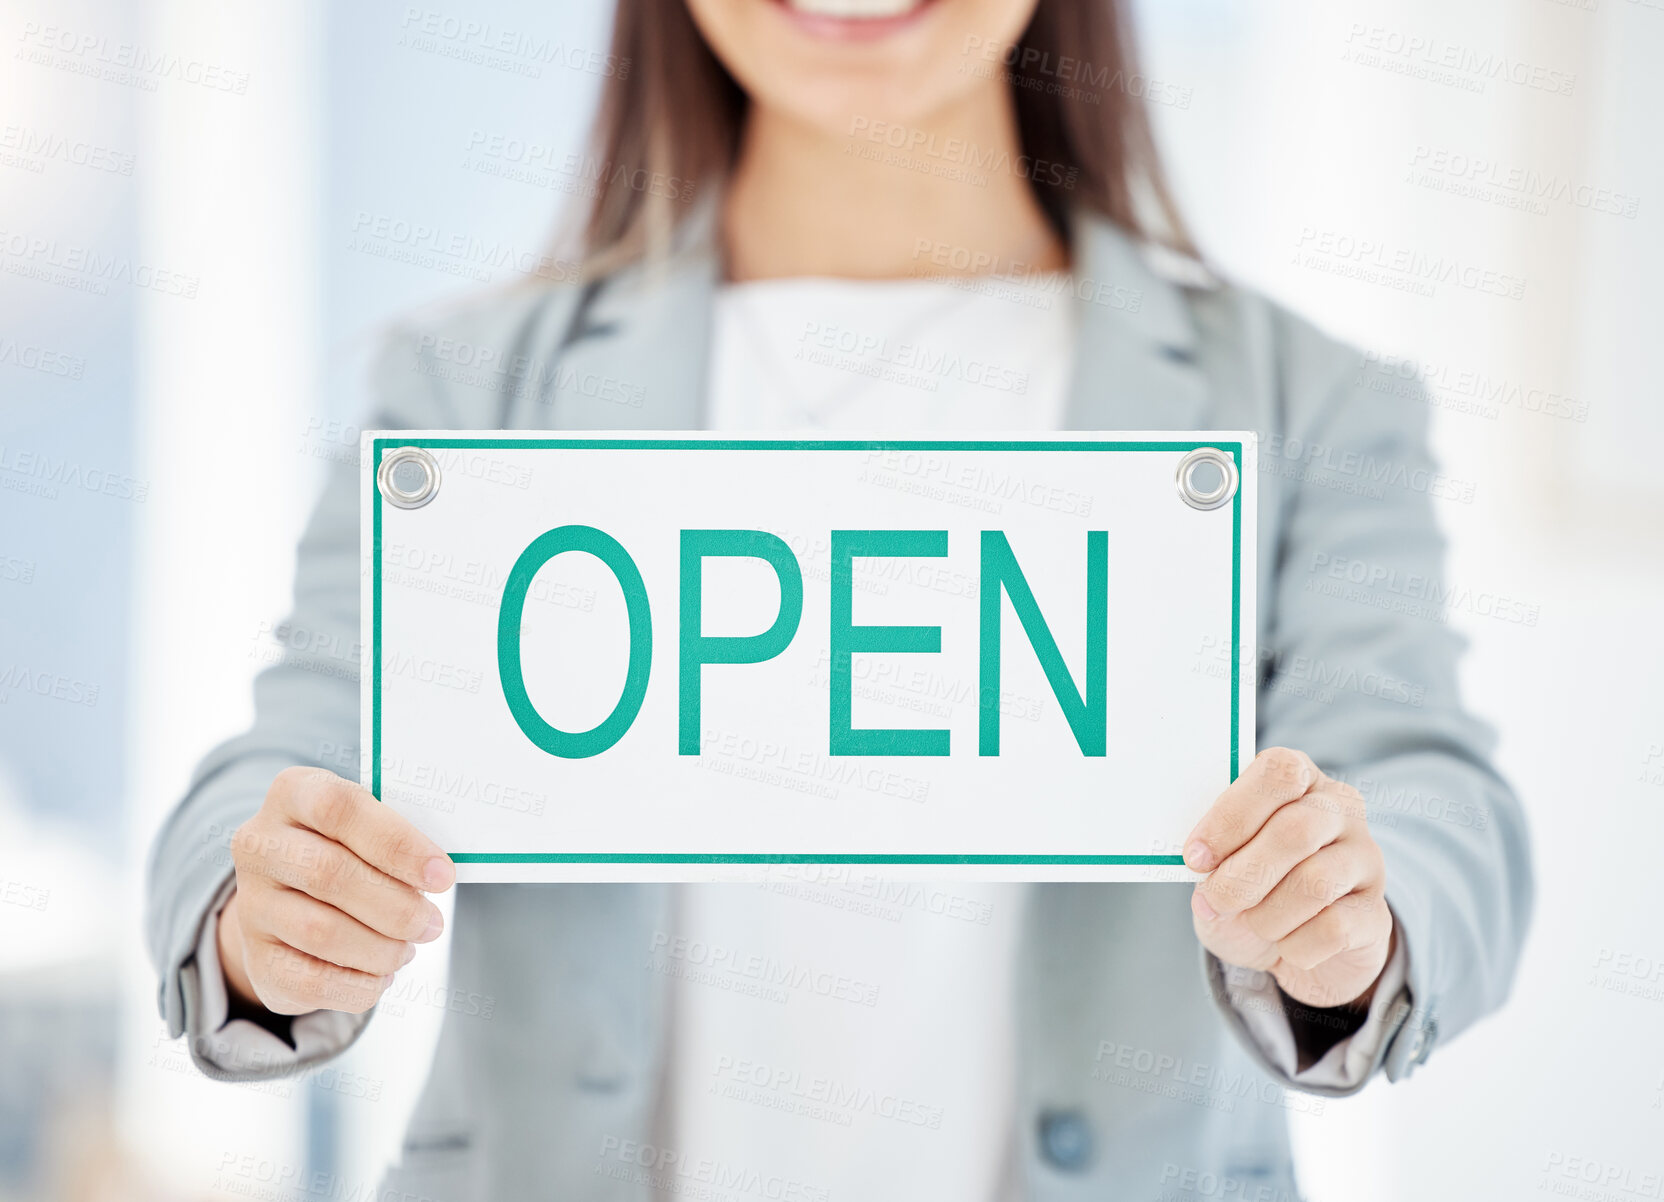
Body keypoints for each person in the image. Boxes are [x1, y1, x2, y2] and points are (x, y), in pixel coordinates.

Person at [145, 0, 1533, 1197]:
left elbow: (1432, 791)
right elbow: (282, 762)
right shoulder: (468, 392)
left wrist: (1358, 911)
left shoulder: (1308, 405)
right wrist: (265, 914)